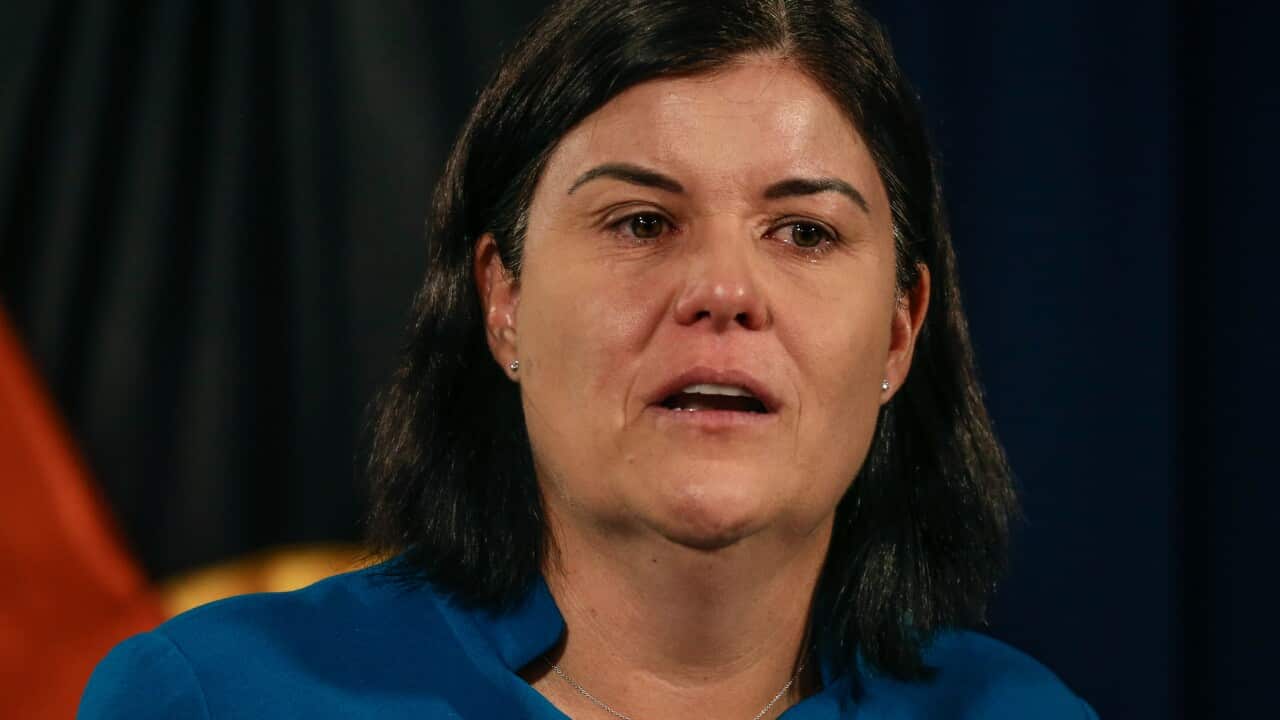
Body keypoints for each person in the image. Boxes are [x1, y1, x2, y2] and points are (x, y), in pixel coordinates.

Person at [80, 0, 1098, 717]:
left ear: (896, 331)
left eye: (803, 233)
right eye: (642, 221)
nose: (724, 291)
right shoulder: (213, 698)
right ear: (503, 299)